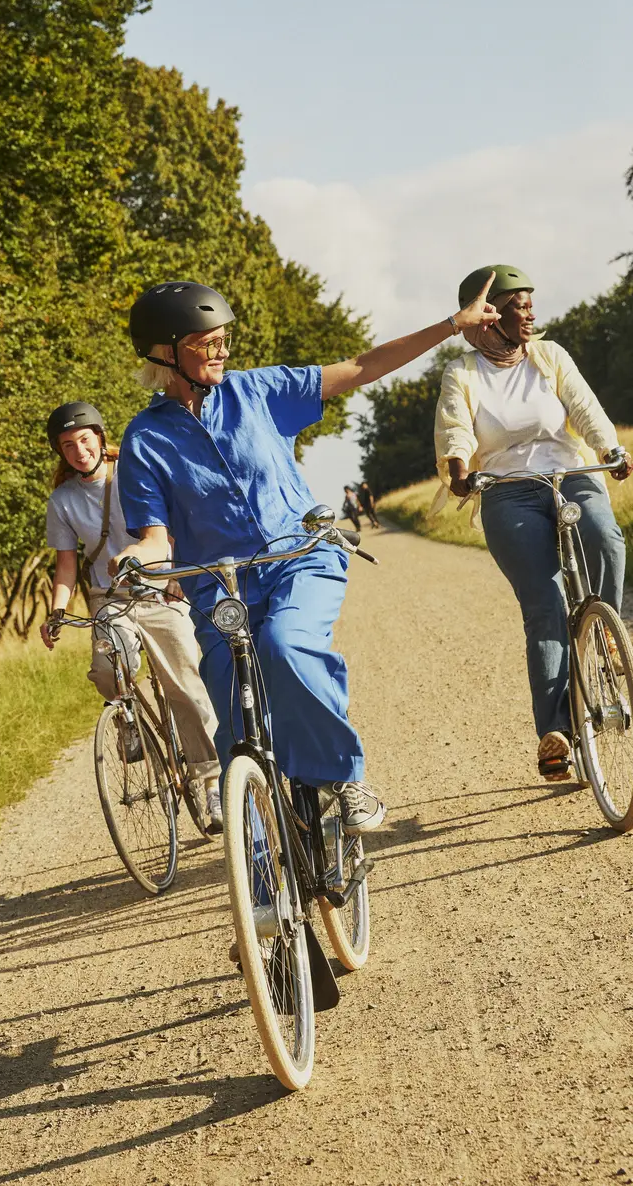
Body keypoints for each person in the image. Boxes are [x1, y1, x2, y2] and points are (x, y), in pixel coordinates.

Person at [113, 277, 502, 833]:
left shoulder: (257, 392)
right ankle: (264, 880)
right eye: (208, 342)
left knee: (285, 646)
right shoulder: (144, 440)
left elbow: (362, 367)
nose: (222, 350)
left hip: (299, 558)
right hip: (221, 591)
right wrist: (134, 559)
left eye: (225, 338)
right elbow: (154, 537)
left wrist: (451, 327)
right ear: (165, 353)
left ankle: (342, 779)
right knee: (236, 733)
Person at [433, 265, 630, 779]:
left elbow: (585, 407)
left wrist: (611, 448)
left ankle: (604, 629)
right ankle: (556, 732)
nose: (530, 313)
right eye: (517, 305)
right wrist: (458, 469)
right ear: (488, 316)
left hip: (572, 472)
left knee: (607, 539)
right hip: (507, 490)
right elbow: (456, 427)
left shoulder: (550, 357)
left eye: (529, 304)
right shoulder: (463, 373)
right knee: (544, 608)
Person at [40, 403, 225, 831]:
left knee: (187, 689)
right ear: (61, 453)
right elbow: (66, 565)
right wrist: (57, 611)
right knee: (108, 668)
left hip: (161, 590)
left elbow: (173, 526)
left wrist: (179, 572)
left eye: (85, 440)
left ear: (101, 439)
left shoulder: (133, 472)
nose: (79, 450)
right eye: (68, 445)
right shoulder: (63, 501)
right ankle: (126, 718)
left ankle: (211, 783)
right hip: (110, 597)